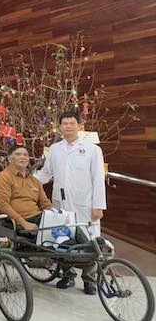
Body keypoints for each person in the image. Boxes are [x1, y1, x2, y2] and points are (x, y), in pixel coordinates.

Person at [35, 111, 106, 294]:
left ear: (79, 125)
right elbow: (45, 173)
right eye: (64, 123)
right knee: (62, 238)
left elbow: (98, 179)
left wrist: (98, 205)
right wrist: (25, 180)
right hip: (60, 203)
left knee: (89, 240)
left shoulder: (92, 150)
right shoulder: (55, 149)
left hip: (85, 203)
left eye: (72, 123)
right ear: (59, 127)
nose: (68, 126)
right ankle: (68, 276)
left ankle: (90, 279)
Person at [0, 144, 53, 232]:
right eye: (18, 154)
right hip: (16, 222)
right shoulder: (3, 178)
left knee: (66, 225)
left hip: (38, 218)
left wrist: (56, 215)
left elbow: (45, 204)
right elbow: (1, 204)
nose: (23, 157)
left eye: (25, 155)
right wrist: (23, 223)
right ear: (9, 158)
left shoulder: (34, 181)